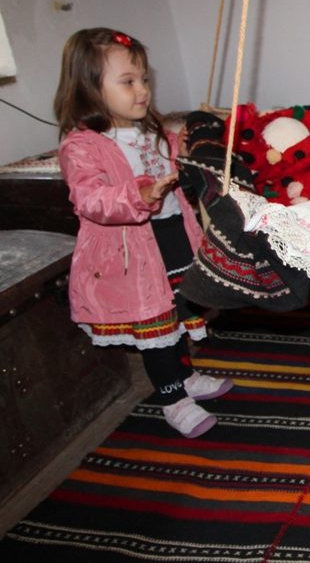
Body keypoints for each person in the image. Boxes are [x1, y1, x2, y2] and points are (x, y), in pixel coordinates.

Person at [54, 27, 233, 438]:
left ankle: (186, 377)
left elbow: (170, 163)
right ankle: (172, 398)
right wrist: (139, 195)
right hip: (132, 254)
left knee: (178, 313)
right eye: (128, 82)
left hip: (172, 236)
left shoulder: (151, 132)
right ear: (89, 89)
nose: (143, 91)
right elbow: (90, 199)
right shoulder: (81, 146)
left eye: (144, 79)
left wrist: (184, 149)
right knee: (156, 327)